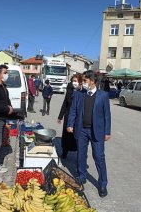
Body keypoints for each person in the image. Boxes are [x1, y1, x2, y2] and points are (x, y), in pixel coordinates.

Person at [67, 70, 111, 198]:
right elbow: (73, 110)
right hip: (81, 130)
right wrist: (70, 124)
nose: (83, 83)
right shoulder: (79, 94)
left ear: (92, 81)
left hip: (97, 131)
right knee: (81, 154)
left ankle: (102, 183)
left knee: (99, 157)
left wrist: (107, 132)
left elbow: (107, 115)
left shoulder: (103, 96)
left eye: (85, 81)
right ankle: (82, 176)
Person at [57, 74, 82, 159]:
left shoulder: (83, 92)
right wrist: (60, 117)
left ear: (80, 82)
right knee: (66, 136)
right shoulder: (69, 90)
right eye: (73, 81)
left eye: (76, 81)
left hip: (77, 118)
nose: (74, 83)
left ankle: (79, 154)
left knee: (76, 136)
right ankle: (65, 152)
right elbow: (65, 104)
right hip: (68, 117)